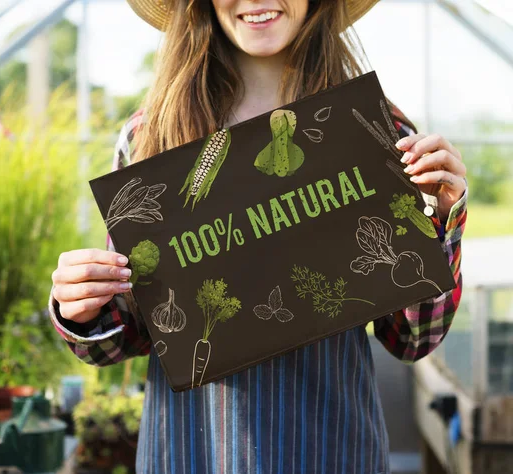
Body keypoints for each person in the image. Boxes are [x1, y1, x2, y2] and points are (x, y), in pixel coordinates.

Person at [49, 0, 468, 472]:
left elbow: (411, 338)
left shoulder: (378, 130)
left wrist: (443, 220)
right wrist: (81, 306)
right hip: (195, 452)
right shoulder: (151, 136)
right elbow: (130, 333)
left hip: (330, 449)